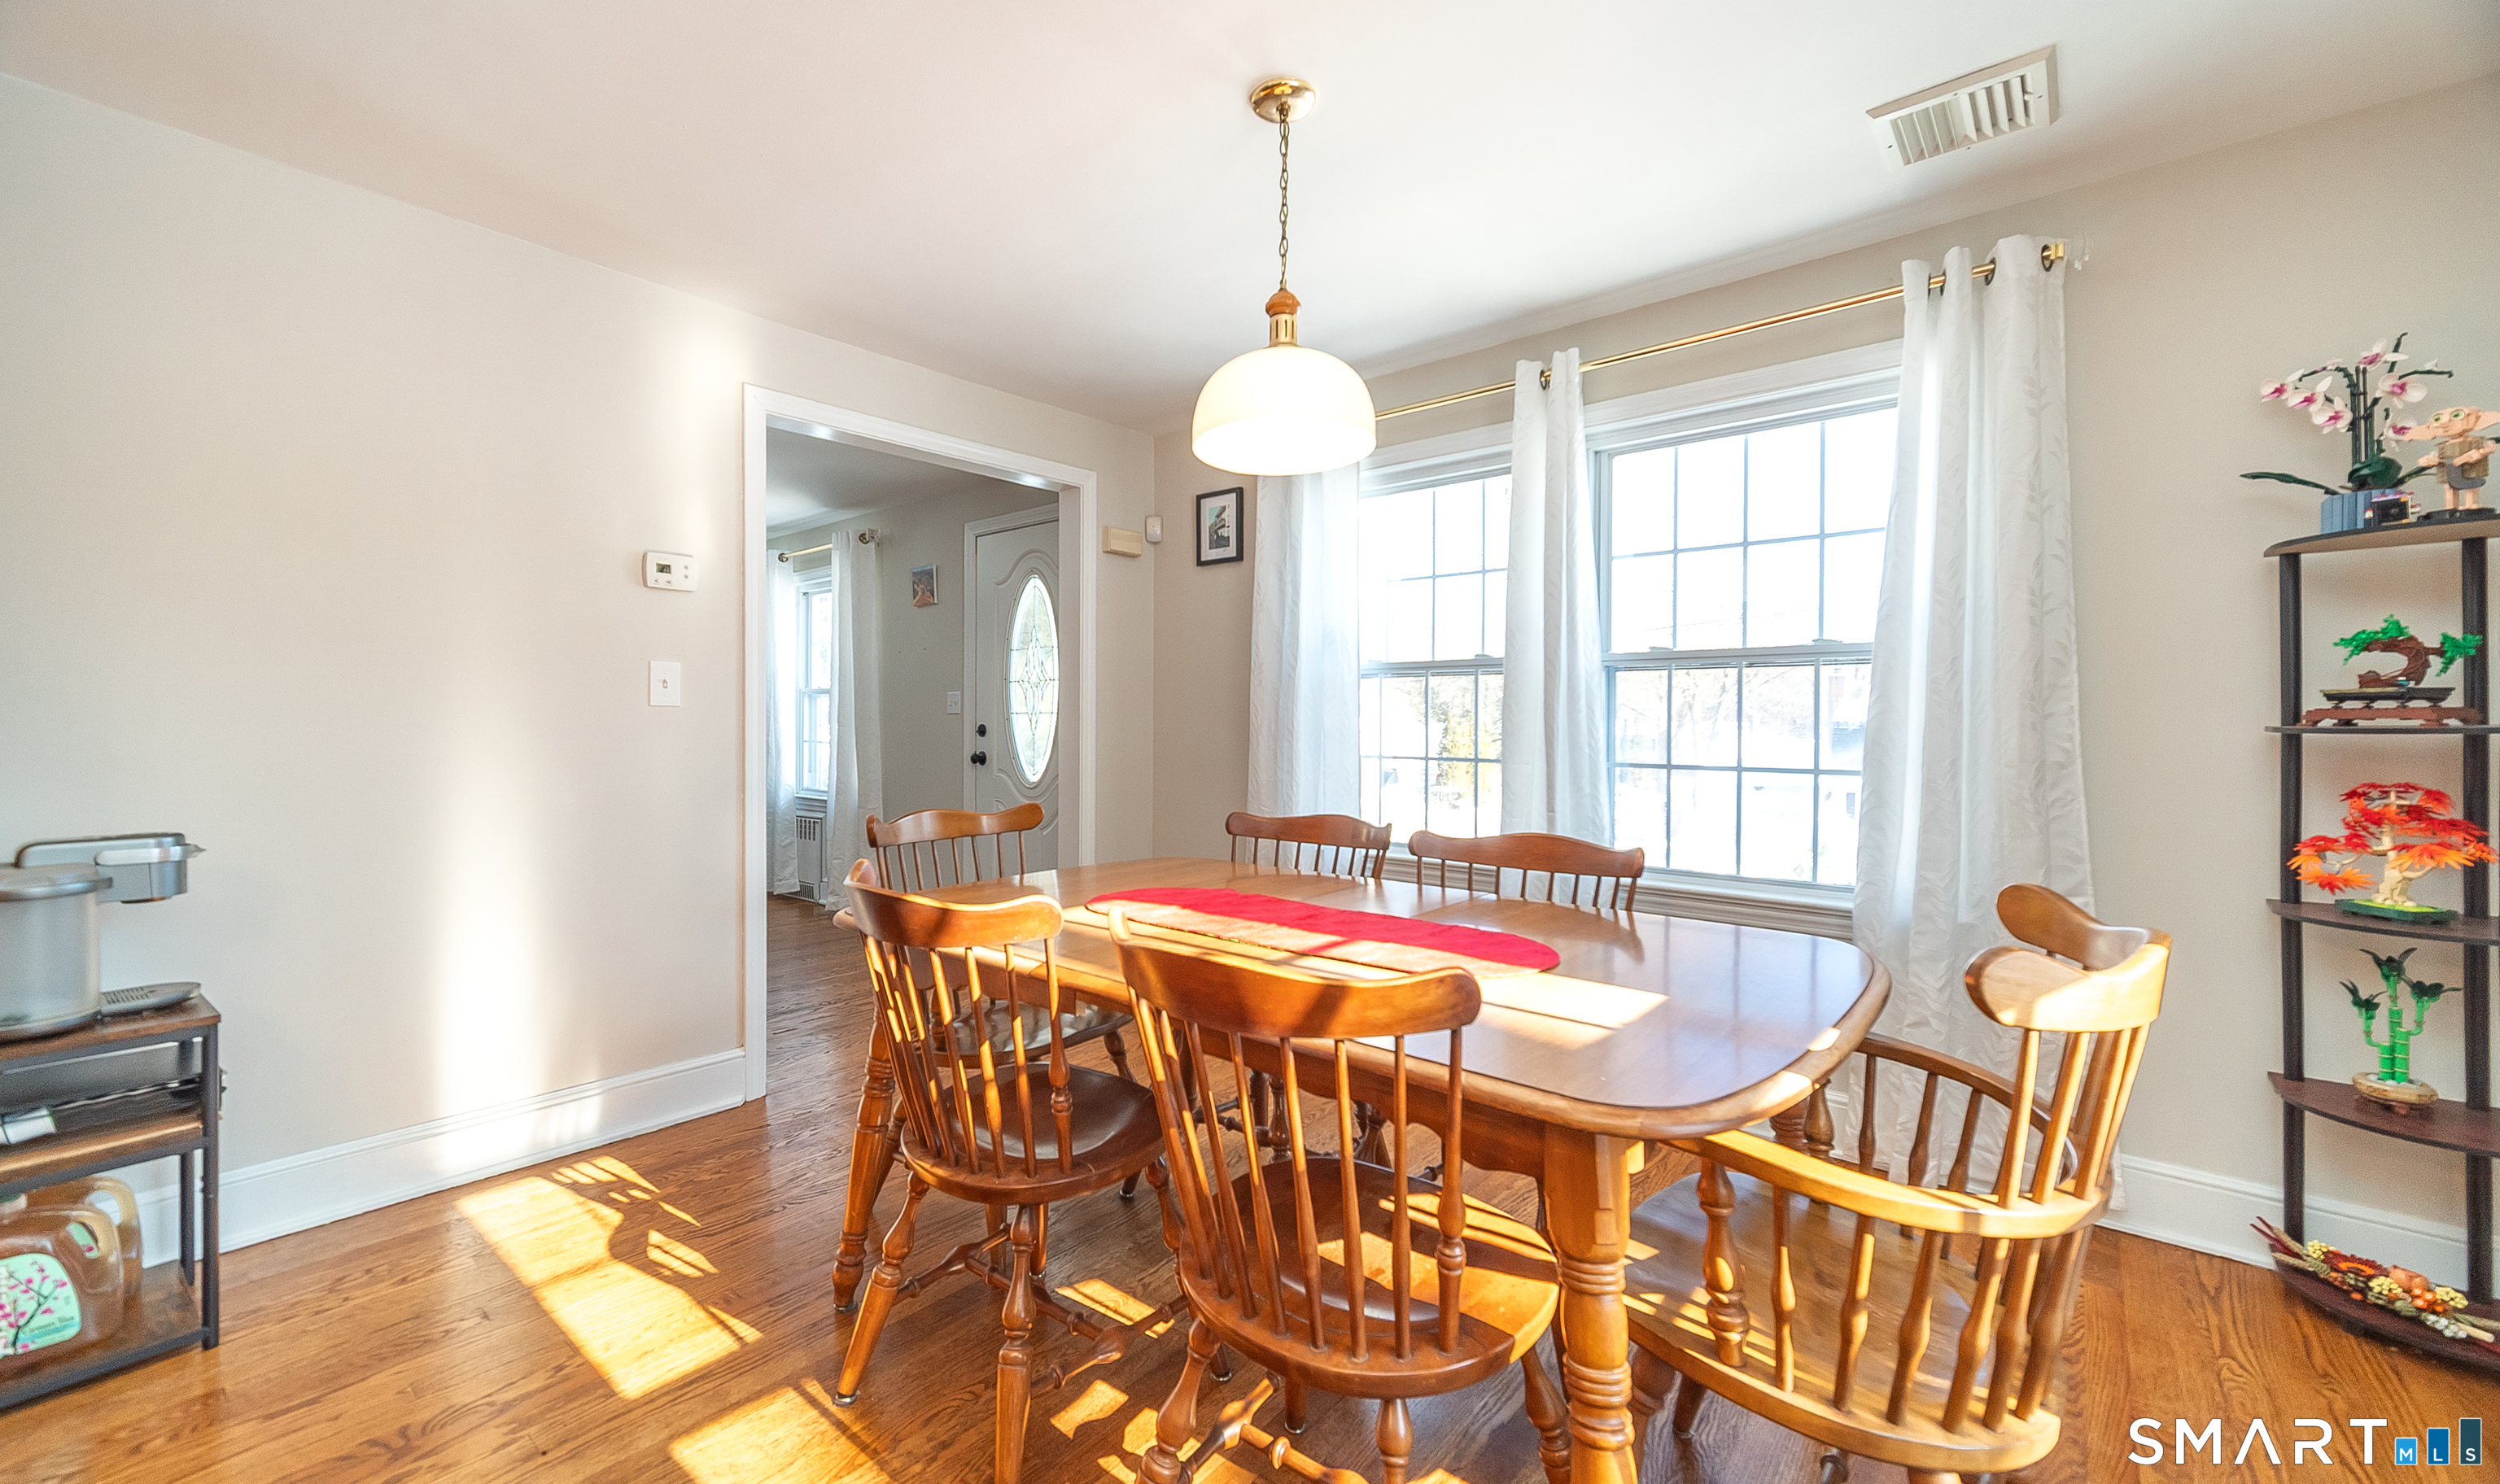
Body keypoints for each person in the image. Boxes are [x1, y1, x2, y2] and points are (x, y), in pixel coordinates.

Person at [2401, 407, 2499, 513]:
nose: (2444, 422)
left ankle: (2471, 504)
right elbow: (2440, 459)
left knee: (2471, 486)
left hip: (2470, 469)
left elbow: (2485, 450)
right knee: (2449, 487)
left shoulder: (2474, 442)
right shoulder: (2444, 446)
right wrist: (2429, 461)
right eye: (2437, 419)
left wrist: (2480, 453)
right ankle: (2451, 507)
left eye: (2457, 415)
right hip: (2449, 471)